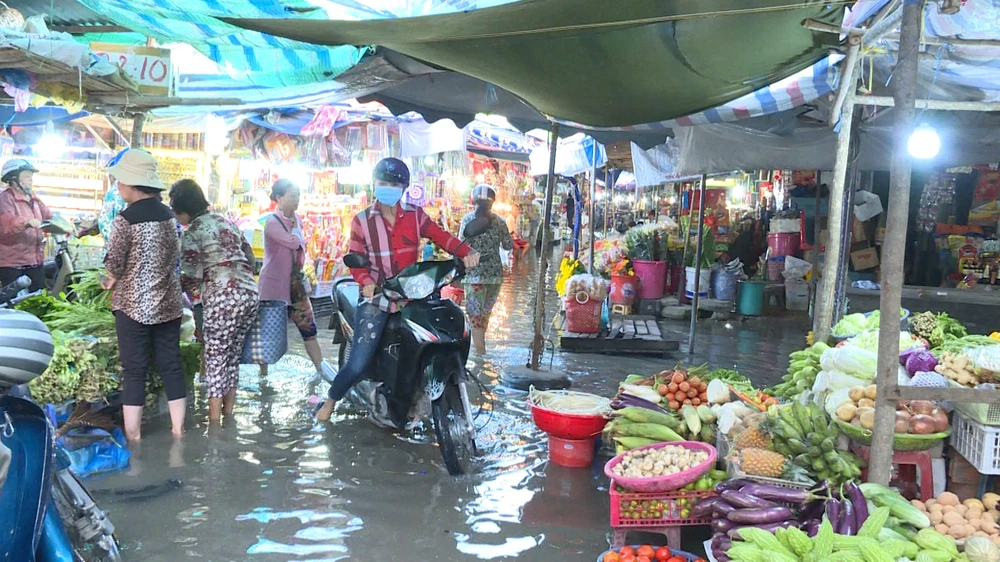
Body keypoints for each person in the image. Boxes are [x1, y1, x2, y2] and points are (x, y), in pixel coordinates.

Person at [316, 158, 480, 421]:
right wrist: (366, 282)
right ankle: (330, 402)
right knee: (358, 363)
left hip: (412, 296)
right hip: (378, 298)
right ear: (374, 184)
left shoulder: (416, 216)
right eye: (383, 183)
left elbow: (441, 236)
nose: (387, 188)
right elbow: (355, 259)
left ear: (403, 188)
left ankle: (410, 396)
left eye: (393, 184)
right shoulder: (361, 221)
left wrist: (466, 252)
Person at [102, 150, 186, 442]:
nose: (117, 186)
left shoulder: (125, 220)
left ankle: (134, 437)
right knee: (171, 365)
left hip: (133, 305)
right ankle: (178, 430)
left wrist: (109, 279)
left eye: (119, 181)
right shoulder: (169, 217)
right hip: (169, 303)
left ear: (131, 184)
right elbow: (173, 257)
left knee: (134, 370)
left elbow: (115, 264)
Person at [169, 179, 259, 424]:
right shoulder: (226, 222)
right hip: (250, 293)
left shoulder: (193, 232)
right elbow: (251, 259)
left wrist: (171, 291)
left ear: (184, 210)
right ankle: (228, 415)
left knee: (216, 359)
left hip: (223, 297)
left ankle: (215, 425)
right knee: (232, 357)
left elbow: (190, 276)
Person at [258, 179, 330, 379]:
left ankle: (321, 370)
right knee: (268, 331)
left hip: (296, 286)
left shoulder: (296, 218)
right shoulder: (272, 222)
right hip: (273, 288)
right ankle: (263, 375)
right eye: (292, 196)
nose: (296, 199)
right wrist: (297, 231)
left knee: (309, 329)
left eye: (298, 195)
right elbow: (293, 242)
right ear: (279, 198)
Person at [459, 185, 513, 355]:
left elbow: (460, 245)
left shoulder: (467, 220)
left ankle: (480, 356)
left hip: (474, 275)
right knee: (485, 315)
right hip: (494, 275)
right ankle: (481, 353)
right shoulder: (500, 221)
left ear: (473, 200)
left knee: (475, 317)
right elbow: (508, 245)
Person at [0, 159, 53, 291]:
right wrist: (26, 222)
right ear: (13, 179)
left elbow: (48, 215)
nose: (31, 180)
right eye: (26, 176)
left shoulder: (32, 198)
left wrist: (65, 226)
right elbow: (6, 222)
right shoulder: (6, 198)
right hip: (12, 263)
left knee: (40, 297)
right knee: (13, 300)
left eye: (31, 176)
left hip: (35, 260)